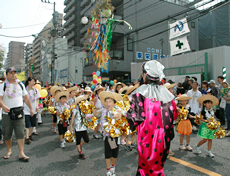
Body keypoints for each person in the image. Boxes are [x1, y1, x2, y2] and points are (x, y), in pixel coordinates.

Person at [126, 60, 179, 176]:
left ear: (145, 74)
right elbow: (175, 114)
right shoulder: (167, 94)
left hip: (147, 137)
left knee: (146, 168)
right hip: (164, 137)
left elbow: (133, 117)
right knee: (158, 166)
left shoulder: (140, 92)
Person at [0, 67, 34, 161]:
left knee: (20, 133)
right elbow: (0, 99)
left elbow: (26, 98)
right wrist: (3, 106)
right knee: (7, 134)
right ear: (6, 75)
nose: (13, 75)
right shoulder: (3, 86)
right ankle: (9, 150)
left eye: (14, 73)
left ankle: (21, 153)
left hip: (19, 112)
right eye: (11, 73)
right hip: (7, 114)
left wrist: (31, 108)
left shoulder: (20, 84)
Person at [98, 91, 123, 176]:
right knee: (108, 153)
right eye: (106, 101)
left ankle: (113, 167)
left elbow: (122, 123)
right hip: (108, 136)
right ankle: (108, 170)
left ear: (114, 103)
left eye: (110, 101)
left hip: (116, 136)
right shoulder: (104, 111)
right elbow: (103, 123)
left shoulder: (118, 110)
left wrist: (120, 116)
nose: (108, 103)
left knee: (115, 153)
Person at [70, 95, 90, 160]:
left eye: (84, 101)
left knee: (87, 140)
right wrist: (71, 127)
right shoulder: (75, 109)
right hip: (78, 128)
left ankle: (80, 145)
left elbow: (88, 117)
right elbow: (72, 118)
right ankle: (80, 152)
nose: (83, 102)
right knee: (78, 140)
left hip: (84, 127)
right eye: (81, 101)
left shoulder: (85, 109)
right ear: (78, 103)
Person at [24, 77, 41, 144]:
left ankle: (29, 134)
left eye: (35, 81)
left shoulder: (35, 90)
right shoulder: (25, 90)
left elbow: (37, 99)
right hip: (26, 109)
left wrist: (36, 107)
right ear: (29, 82)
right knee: (27, 124)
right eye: (33, 81)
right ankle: (27, 137)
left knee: (33, 124)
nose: (34, 83)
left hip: (34, 109)